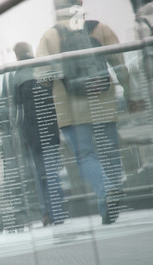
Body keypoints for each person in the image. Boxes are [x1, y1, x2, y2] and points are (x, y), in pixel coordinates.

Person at [35, 0, 135, 225]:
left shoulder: (50, 37)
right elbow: (120, 64)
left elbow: (42, 76)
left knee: (85, 156)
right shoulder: (100, 28)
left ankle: (107, 191)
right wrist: (131, 95)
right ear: (80, 4)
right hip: (104, 101)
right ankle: (109, 202)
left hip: (71, 110)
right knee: (110, 153)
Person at [11, 42, 66, 226]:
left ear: (16, 55)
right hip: (49, 127)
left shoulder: (17, 75)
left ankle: (45, 213)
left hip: (31, 132)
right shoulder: (43, 67)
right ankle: (57, 213)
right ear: (30, 51)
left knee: (39, 174)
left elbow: (17, 110)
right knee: (52, 172)